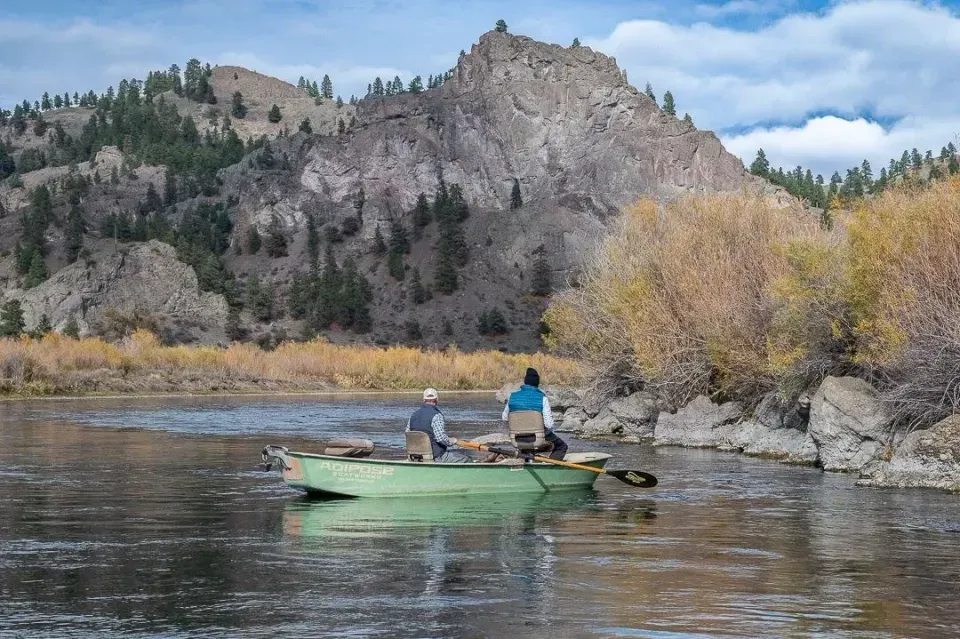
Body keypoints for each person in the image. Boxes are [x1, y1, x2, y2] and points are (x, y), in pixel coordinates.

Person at [502, 368, 568, 460]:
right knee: (562, 446)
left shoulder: (512, 397)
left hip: (517, 438)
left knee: (526, 448)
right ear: (537, 383)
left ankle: (527, 461)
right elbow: (549, 424)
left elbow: (504, 418)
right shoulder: (542, 398)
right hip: (537, 438)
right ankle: (551, 465)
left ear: (525, 381)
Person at [406, 388, 473, 463]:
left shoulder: (413, 415)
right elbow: (441, 438)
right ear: (437, 399)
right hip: (435, 457)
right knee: (467, 459)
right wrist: (453, 441)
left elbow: (407, 434)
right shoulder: (437, 415)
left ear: (423, 400)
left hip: (414, 457)